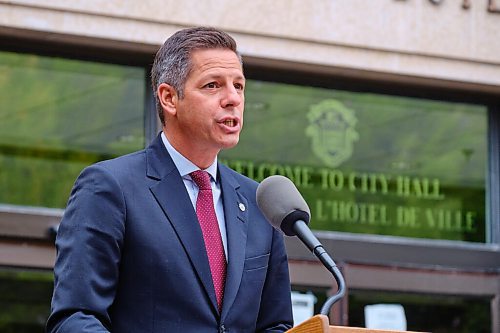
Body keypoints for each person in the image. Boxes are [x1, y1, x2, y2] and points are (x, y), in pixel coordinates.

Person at [46, 27, 293, 333]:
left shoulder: (259, 202)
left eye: (239, 86)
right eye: (213, 85)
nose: (232, 99)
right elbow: (76, 318)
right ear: (169, 98)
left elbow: (276, 324)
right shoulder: (110, 188)